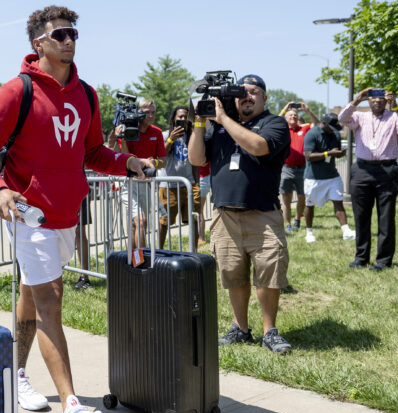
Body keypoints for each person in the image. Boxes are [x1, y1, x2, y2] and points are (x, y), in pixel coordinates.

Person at [0, 5, 154, 413]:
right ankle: (72, 409)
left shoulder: (87, 94)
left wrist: (127, 162)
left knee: (32, 295)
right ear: (39, 43)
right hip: (28, 213)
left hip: (67, 214)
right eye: (61, 34)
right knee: (50, 299)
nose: (70, 40)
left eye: (74, 34)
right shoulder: (17, 91)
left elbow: (92, 153)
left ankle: (15, 374)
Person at [188, 74, 292, 354]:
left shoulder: (274, 123)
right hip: (225, 216)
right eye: (241, 92)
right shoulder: (219, 128)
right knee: (233, 272)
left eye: (254, 92)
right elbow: (196, 159)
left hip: (262, 214)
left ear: (264, 98)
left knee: (268, 271)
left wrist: (223, 119)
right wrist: (199, 122)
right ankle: (240, 328)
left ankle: (270, 331)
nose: (247, 96)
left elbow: (258, 146)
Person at [338, 88, 398, 270]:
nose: (377, 102)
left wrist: (396, 106)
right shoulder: (359, 116)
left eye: (381, 99)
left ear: (386, 101)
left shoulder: (394, 116)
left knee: (386, 216)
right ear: (368, 101)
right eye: (373, 99)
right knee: (361, 216)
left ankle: (383, 260)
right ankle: (361, 257)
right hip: (362, 169)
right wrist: (357, 100)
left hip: (386, 170)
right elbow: (342, 118)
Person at [110, 99, 166, 249]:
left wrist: (152, 162)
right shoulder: (128, 129)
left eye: (153, 112)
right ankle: (143, 259)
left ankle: (134, 259)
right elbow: (123, 157)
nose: (150, 115)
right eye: (147, 112)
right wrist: (121, 138)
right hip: (127, 182)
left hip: (146, 183)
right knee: (141, 221)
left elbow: (163, 161)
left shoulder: (157, 132)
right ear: (138, 113)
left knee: (137, 225)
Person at [302, 113, 356, 243]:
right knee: (310, 204)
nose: (334, 130)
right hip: (314, 178)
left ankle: (346, 231)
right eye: (331, 127)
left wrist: (340, 154)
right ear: (324, 123)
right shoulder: (312, 134)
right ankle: (309, 232)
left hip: (332, 176)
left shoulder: (335, 134)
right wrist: (328, 153)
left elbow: (336, 152)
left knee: (338, 201)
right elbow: (308, 156)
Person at [158, 106, 197, 250]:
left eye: (185, 117)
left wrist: (196, 182)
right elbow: (160, 155)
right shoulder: (164, 135)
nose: (183, 119)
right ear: (174, 118)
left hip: (188, 185)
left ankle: (194, 252)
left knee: (193, 220)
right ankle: (159, 251)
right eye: (180, 117)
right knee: (164, 222)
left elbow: (195, 162)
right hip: (169, 186)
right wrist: (171, 139)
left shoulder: (192, 135)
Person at [278, 102, 319, 233]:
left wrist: (308, 110)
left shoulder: (304, 128)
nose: (293, 117)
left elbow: (317, 124)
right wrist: (285, 108)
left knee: (302, 197)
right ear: (286, 118)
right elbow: (276, 120)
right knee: (286, 199)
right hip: (286, 169)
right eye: (290, 115)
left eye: (295, 115)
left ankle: (297, 219)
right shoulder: (283, 129)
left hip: (302, 168)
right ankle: (288, 224)